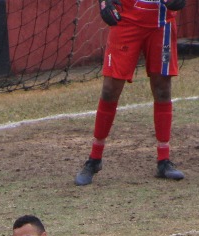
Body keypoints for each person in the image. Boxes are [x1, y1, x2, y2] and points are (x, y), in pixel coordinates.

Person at [75, 0, 187, 185]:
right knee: (110, 89)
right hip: (126, 20)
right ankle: (94, 159)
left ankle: (164, 160)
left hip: (162, 24)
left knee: (162, 90)